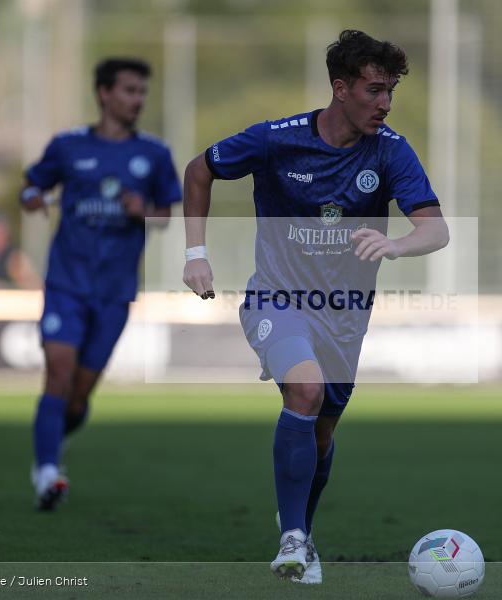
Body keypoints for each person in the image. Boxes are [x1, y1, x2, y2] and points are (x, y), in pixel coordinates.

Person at [181, 30, 449, 582]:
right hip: (275, 299)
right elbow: (198, 170)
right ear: (340, 88)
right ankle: (294, 537)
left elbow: (437, 229)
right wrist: (196, 254)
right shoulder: (276, 140)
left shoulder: (391, 150)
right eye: (375, 90)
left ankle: (301, 524)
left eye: (390, 91)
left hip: (345, 315)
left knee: (322, 434)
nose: (385, 103)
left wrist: (396, 244)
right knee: (304, 390)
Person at [20, 57, 182, 511]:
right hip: (67, 283)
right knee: (58, 372)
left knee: (78, 396)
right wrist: (32, 198)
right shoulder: (68, 146)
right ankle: (47, 470)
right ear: (104, 93)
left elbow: (167, 213)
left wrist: (143, 211)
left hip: (115, 291)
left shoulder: (153, 153)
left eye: (142, 92)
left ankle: (51, 445)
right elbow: (32, 185)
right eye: (130, 90)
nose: (137, 100)